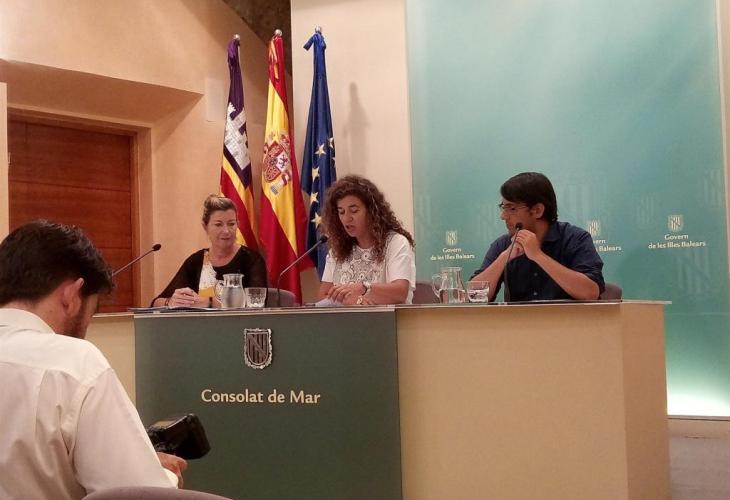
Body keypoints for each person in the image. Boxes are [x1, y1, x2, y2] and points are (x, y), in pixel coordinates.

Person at [0, 221, 187, 499]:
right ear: (71, 296)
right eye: (93, 311)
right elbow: (142, 494)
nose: (88, 325)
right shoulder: (75, 364)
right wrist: (165, 474)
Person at [471, 172, 605, 301]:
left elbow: (590, 293)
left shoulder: (575, 239)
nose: (503, 216)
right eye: (503, 207)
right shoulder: (503, 245)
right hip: (519, 318)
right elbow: (473, 296)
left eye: (511, 209)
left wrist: (538, 255)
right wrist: (504, 258)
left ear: (537, 210)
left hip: (569, 317)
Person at [152, 195, 268, 307]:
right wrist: (170, 302)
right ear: (205, 227)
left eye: (231, 224)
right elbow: (155, 303)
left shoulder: (252, 260)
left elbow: (257, 304)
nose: (226, 231)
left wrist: (209, 302)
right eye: (218, 224)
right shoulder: (196, 261)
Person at [318, 175, 416, 305]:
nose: (347, 218)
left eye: (354, 211)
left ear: (371, 211)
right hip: (345, 318)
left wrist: (364, 288)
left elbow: (400, 293)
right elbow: (323, 297)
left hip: (389, 317)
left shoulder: (396, 242)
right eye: (341, 212)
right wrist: (354, 302)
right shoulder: (338, 250)